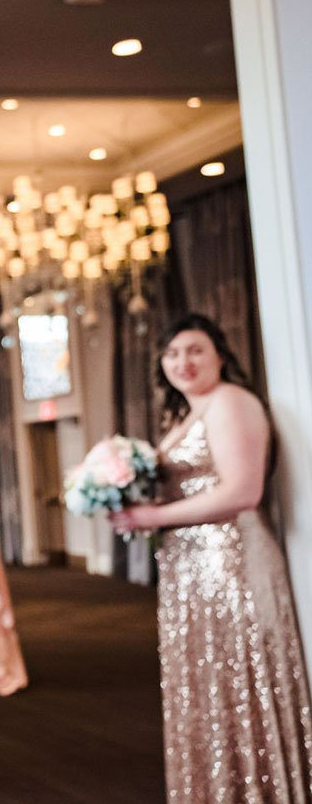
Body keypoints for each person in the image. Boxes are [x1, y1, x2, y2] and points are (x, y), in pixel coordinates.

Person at [111, 314, 312, 802]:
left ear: (221, 354)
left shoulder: (230, 402)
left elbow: (244, 490)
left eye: (196, 350)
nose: (184, 362)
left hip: (230, 563)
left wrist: (150, 518)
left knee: (239, 683)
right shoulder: (183, 417)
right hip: (189, 568)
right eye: (172, 353)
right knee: (206, 690)